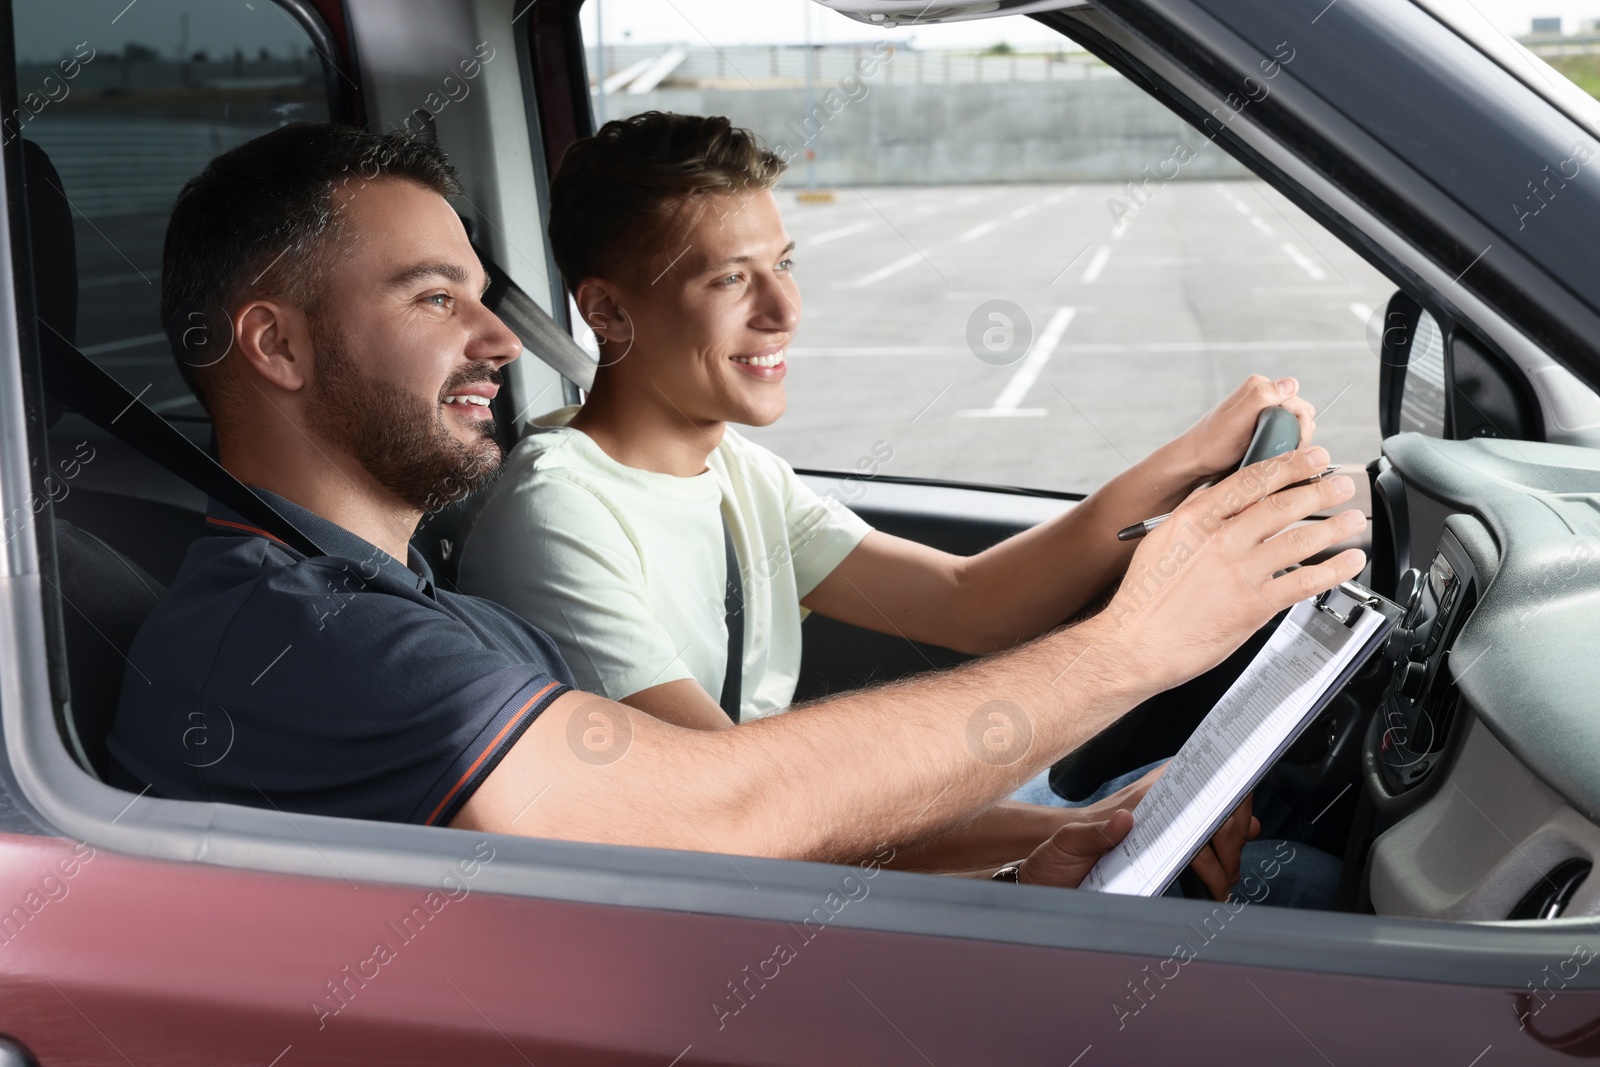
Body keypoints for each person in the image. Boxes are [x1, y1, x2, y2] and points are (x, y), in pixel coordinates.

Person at [106, 122, 1366, 896]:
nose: (499, 333)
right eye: (436, 298)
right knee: (1298, 904)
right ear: (272, 345)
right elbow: (715, 810)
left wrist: (1026, 845)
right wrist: (1136, 645)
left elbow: (680, 825)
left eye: (483, 293)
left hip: (699, 950)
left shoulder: (392, 605)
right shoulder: (302, 635)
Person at [454, 113, 1343, 903]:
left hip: (808, 835)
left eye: (786, 266)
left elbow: (971, 600)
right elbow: (742, 817)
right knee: (1290, 882)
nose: (786, 310)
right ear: (608, 311)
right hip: (744, 899)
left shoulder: (735, 470)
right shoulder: (558, 516)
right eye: (732, 280)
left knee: (1209, 796)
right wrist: (1055, 835)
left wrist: (1188, 459)